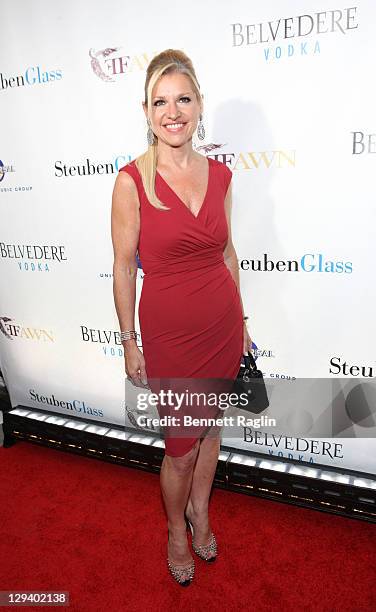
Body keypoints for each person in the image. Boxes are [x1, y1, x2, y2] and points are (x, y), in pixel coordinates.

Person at [111, 49, 252, 586]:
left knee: (210, 431)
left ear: (199, 106)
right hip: (170, 334)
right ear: (146, 111)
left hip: (221, 323)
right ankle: (175, 529)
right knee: (180, 446)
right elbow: (124, 269)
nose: (173, 112)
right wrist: (130, 342)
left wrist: (242, 322)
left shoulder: (221, 176)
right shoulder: (132, 182)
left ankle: (201, 512)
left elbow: (227, 254)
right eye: (160, 101)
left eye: (183, 99)